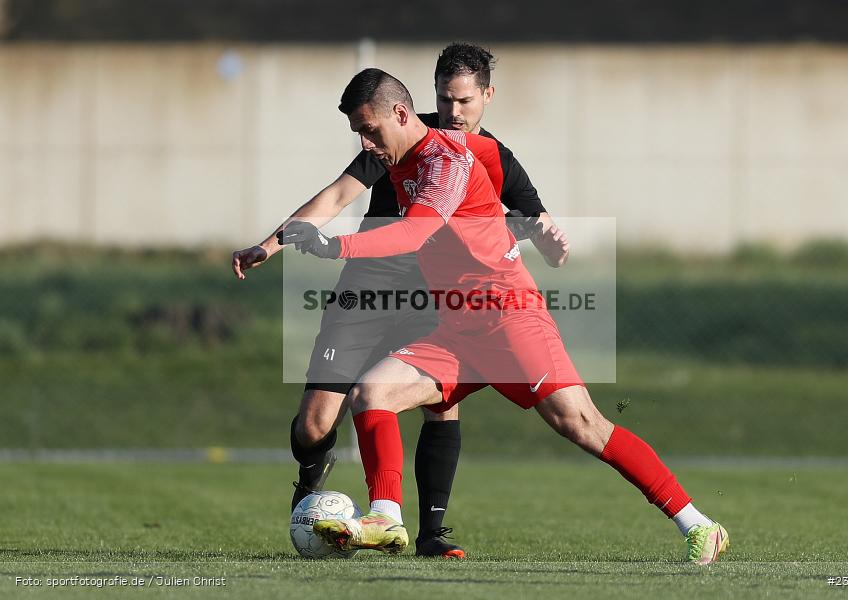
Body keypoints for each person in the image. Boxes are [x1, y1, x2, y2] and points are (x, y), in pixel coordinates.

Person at [285, 67, 729, 565]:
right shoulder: (401, 159)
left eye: (370, 130)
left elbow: (412, 236)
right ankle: (387, 517)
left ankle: (699, 524)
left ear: (401, 114)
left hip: (509, 318)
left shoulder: (445, 162)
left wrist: (333, 245)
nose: (366, 144)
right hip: (457, 327)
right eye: (359, 134)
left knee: (582, 424)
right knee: (373, 392)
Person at [231, 43, 569, 558]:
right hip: (366, 288)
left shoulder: (495, 157)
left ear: (486, 97)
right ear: (422, 100)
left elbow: (535, 223)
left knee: (441, 408)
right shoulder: (400, 137)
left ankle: (431, 534)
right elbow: (336, 196)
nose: (453, 112)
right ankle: (309, 488)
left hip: (435, 298)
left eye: (463, 101)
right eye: (443, 98)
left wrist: (546, 242)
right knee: (315, 423)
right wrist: (272, 243)